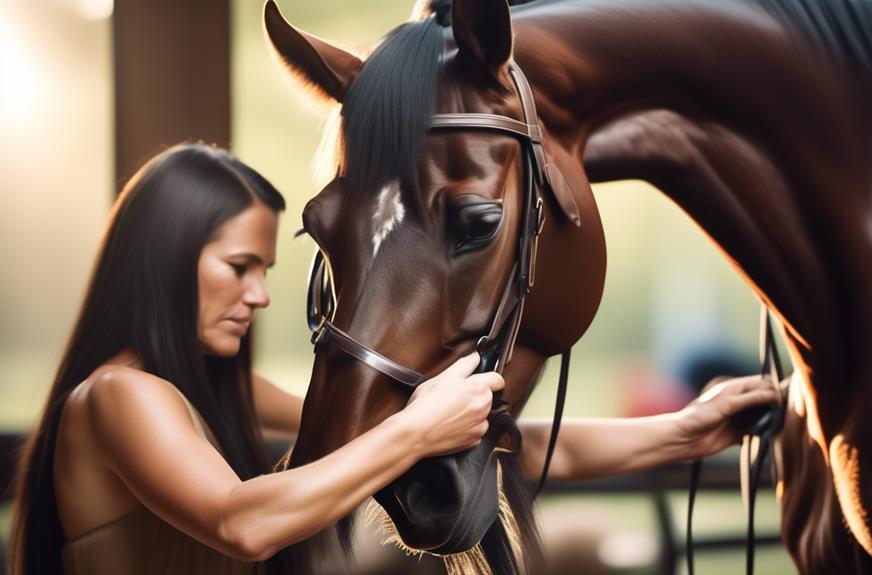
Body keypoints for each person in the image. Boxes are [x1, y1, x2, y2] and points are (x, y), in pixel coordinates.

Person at [8, 143, 778, 575]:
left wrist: (684, 430)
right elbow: (240, 526)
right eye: (238, 265)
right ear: (167, 260)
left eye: (266, 273)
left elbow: (500, 442)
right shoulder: (118, 395)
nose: (260, 295)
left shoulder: (218, 400)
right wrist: (415, 430)